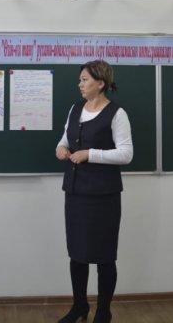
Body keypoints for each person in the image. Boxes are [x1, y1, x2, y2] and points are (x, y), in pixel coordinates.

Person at [55, 60, 133, 323]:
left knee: (103, 256)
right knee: (77, 254)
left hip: (103, 197)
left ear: (100, 83)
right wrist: (61, 148)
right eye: (80, 80)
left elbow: (126, 154)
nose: (80, 84)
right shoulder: (75, 108)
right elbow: (64, 139)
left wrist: (90, 154)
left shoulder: (117, 113)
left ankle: (103, 311)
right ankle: (79, 306)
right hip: (75, 193)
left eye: (84, 80)